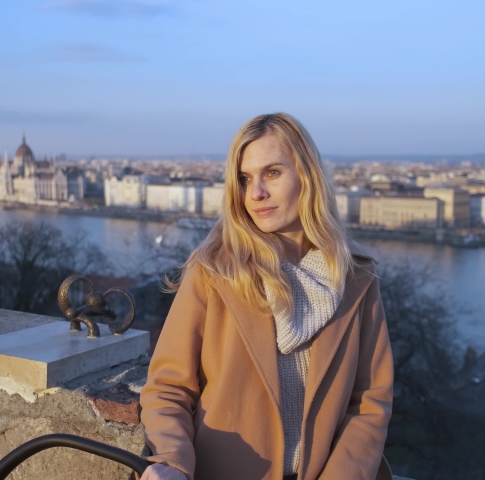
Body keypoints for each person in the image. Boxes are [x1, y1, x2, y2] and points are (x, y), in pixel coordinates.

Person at [139, 113, 394, 480]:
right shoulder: (213, 272)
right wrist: (172, 461)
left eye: (272, 173)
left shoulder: (356, 278)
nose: (255, 193)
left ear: (307, 176)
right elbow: (167, 388)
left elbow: (369, 401)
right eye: (245, 179)